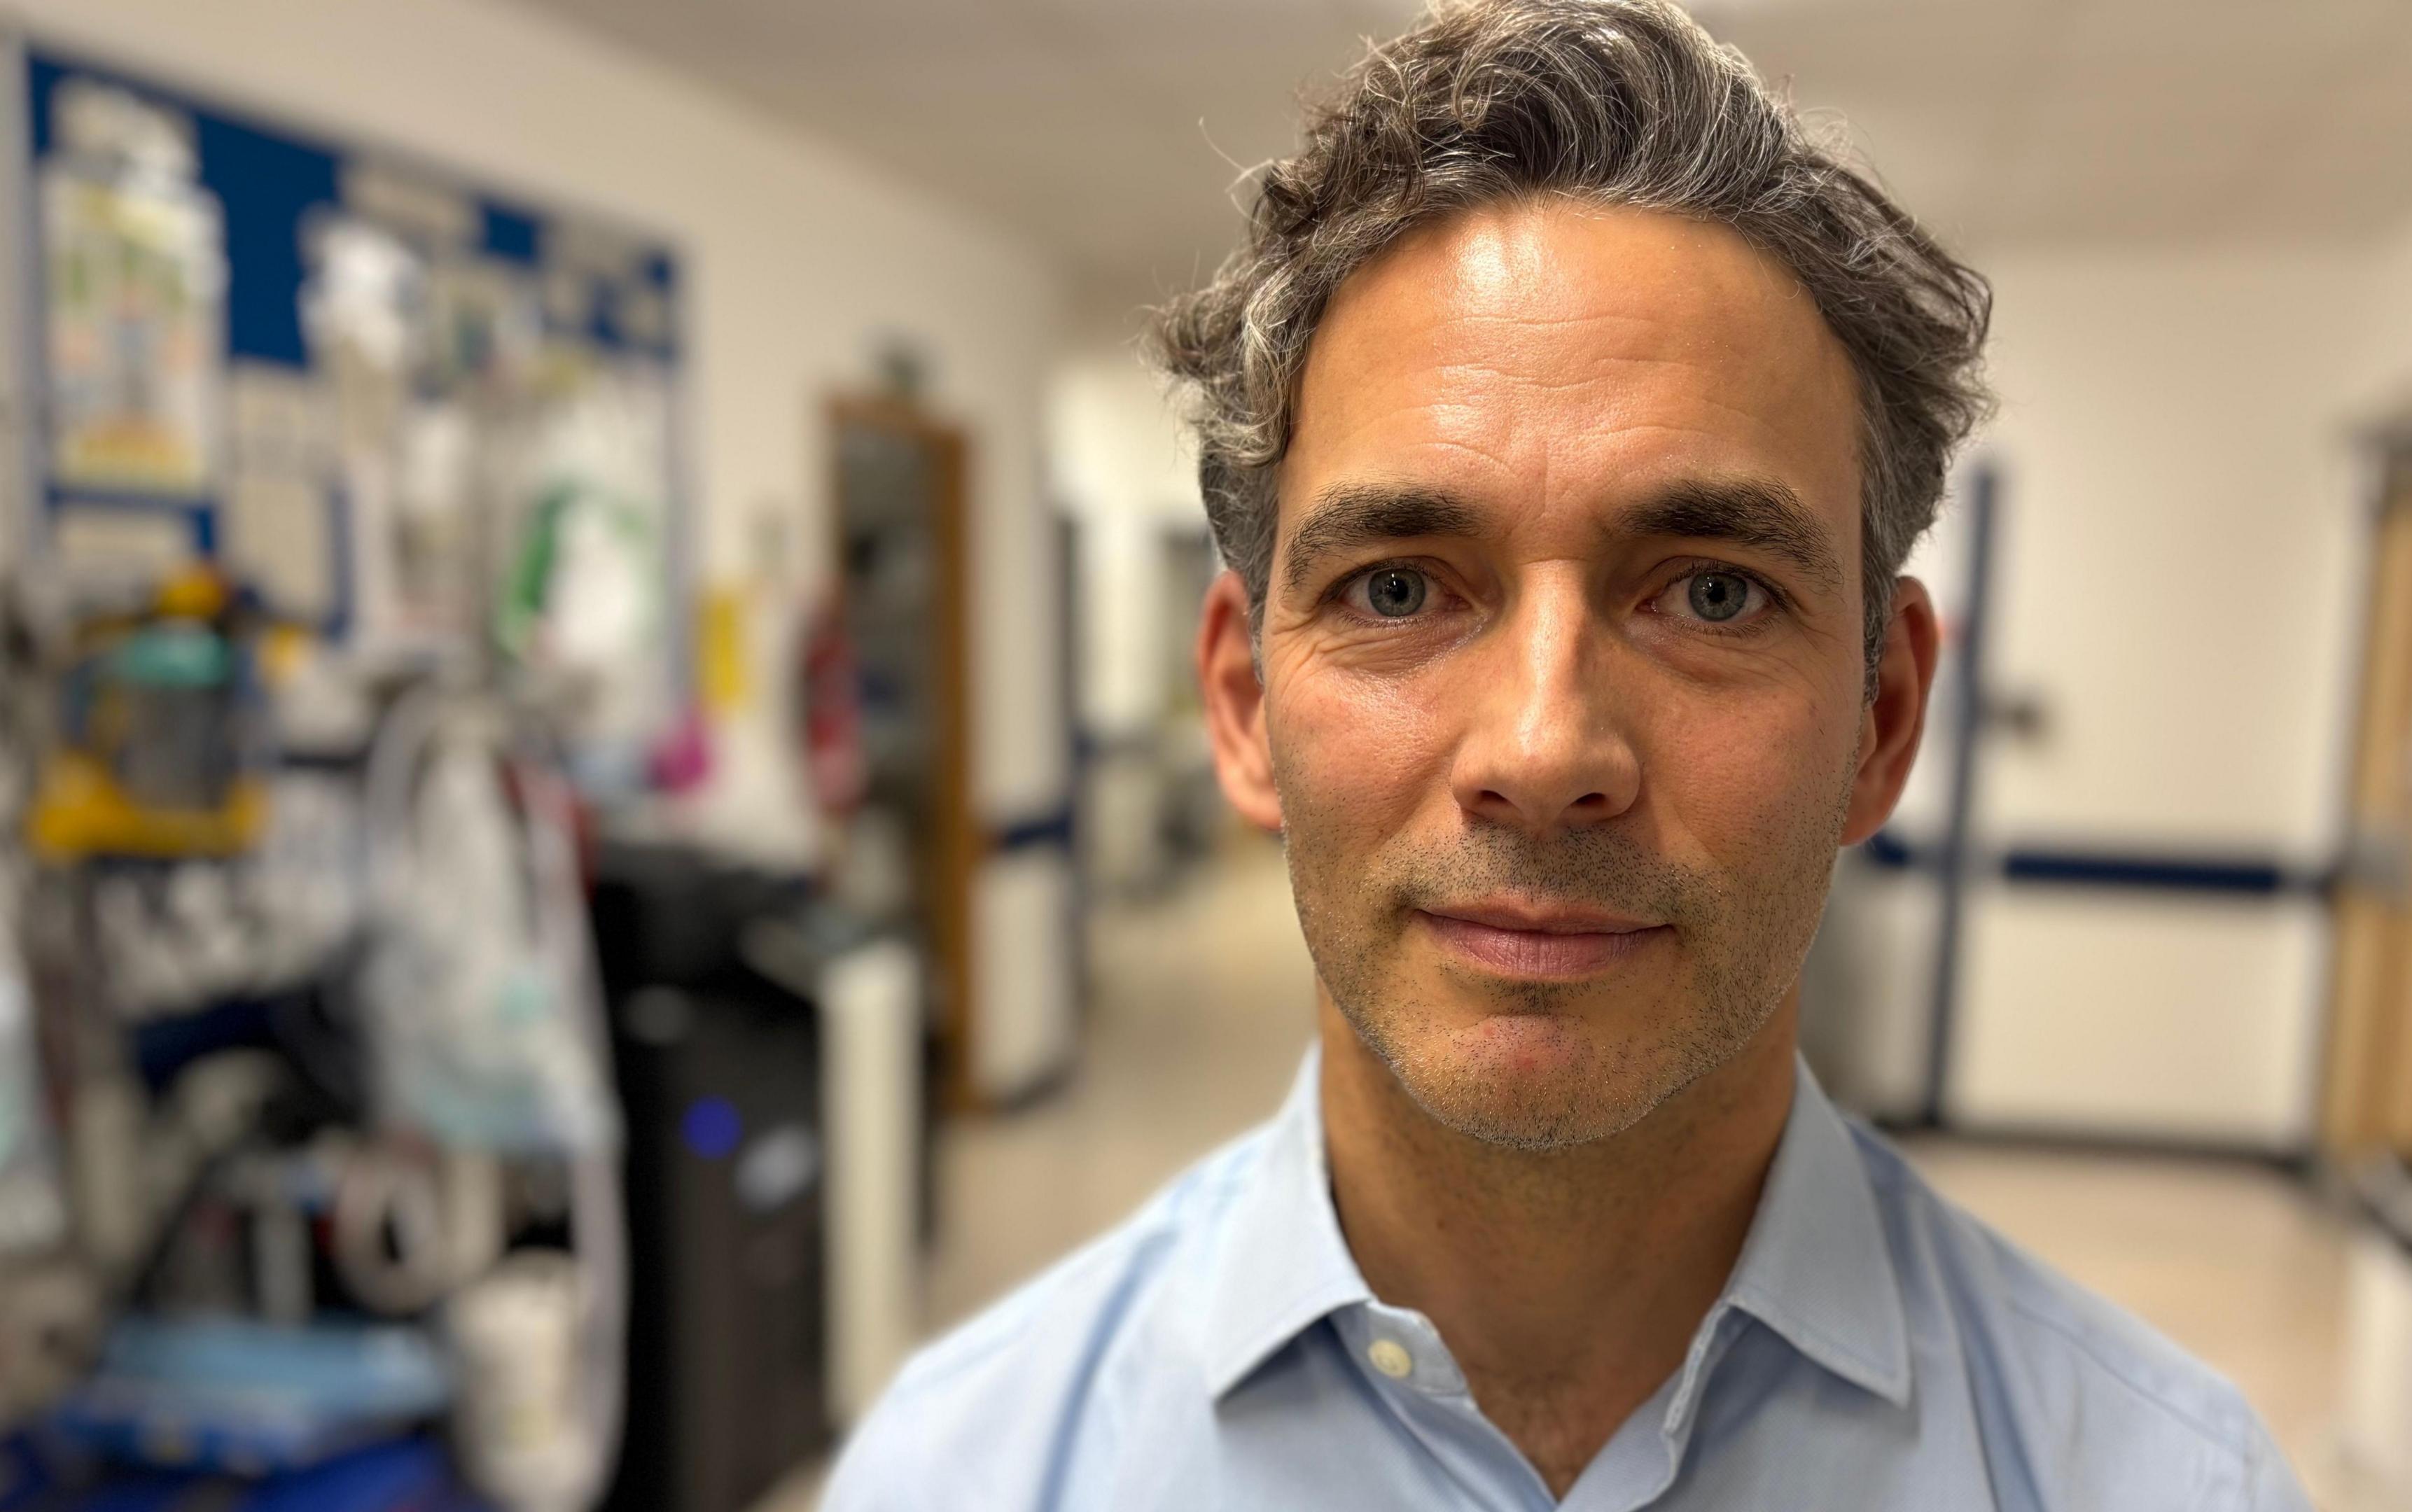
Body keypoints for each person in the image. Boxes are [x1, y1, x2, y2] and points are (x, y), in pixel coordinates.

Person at [825, 1, 2314, 1507]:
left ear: (1882, 720)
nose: (1544, 751)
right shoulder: (963, 1473)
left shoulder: (2172, 1485)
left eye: (1713, 593)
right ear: (1240, 705)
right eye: (1397, 590)